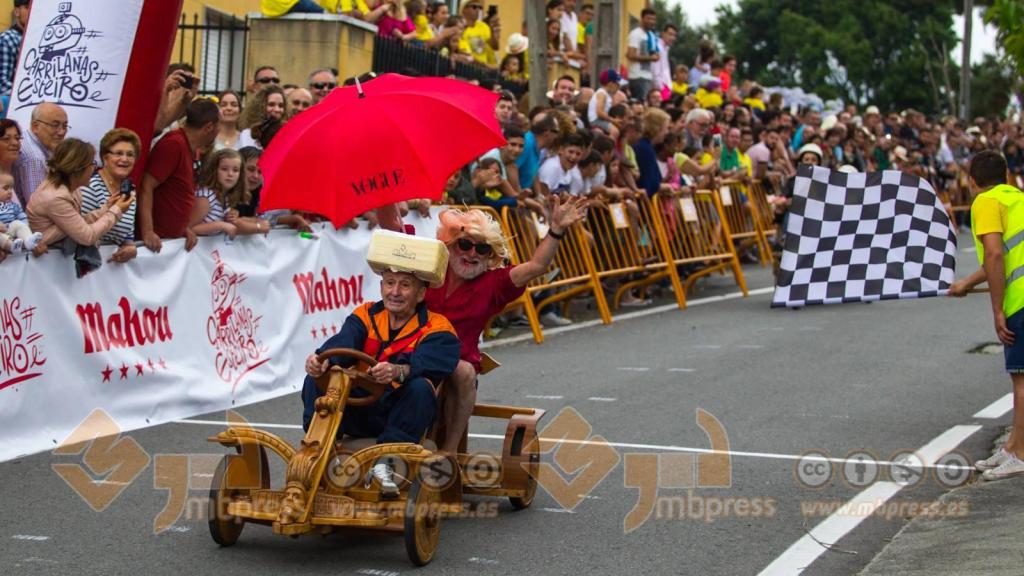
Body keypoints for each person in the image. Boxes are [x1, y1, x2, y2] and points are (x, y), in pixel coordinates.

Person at [426, 199, 587, 453]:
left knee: (465, 372)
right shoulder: (431, 268)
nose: (471, 254)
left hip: (457, 359)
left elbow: (537, 266)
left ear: (491, 256)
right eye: (465, 245)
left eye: (482, 250)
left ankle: (448, 452)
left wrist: (556, 228)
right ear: (452, 244)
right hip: (416, 350)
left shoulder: (494, 283)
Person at [303, 262, 460, 494]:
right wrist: (322, 360)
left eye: (405, 285)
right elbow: (344, 341)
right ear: (381, 287)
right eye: (389, 283)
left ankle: (387, 463)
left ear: (421, 294)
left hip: (397, 414)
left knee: (421, 388)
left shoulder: (437, 327)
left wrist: (399, 371)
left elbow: (433, 363)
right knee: (317, 379)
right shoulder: (365, 314)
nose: (395, 292)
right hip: (356, 408)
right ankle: (317, 450)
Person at [950, 151, 1024, 480]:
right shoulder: (1016, 199)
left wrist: (997, 310)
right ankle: (1012, 446)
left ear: (972, 179)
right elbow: (999, 257)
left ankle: (1019, 455)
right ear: (1006, 176)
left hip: (1020, 300)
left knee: (1021, 380)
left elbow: (994, 255)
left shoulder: (984, 202)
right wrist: (965, 284)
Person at [26, 138, 134, 256]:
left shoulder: (71, 187)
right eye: (92, 164)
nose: (95, 168)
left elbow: (78, 223)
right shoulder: (56, 197)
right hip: (43, 261)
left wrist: (107, 208)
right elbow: (87, 236)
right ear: (78, 169)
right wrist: (116, 211)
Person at [139, 98, 220, 253]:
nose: (220, 130)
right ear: (209, 127)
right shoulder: (174, 145)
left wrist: (183, 228)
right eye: (219, 124)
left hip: (167, 242)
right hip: (155, 245)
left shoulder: (187, 146)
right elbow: (146, 185)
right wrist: (148, 231)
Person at [79, 129, 141, 264]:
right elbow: (81, 229)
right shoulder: (91, 186)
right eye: (118, 153)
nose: (124, 159)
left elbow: (127, 232)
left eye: (130, 155)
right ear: (105, 157)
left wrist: (130, 246)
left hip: (111, 270)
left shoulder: (131, 191)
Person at [190, 148, 268, 240]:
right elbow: (188, 228)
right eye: (224, 169)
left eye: (235, 170)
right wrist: (221, 225)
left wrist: (231, 216)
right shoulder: (206, 196)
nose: (230, 174)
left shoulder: (226, 196)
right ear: (214, 170)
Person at [14, 102, 68, 206]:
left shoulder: (28, 138)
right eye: (55, 125)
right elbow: (38, 206)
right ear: (35, 126)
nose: (61, 132)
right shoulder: (35, 159)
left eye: (65, 126)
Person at [0, 170, 40, 257]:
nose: (10, 191)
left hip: (10, 231)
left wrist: (25, 226)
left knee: (18, 223)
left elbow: (22, 217)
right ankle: (11, 246)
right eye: (5, 188)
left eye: (11, 188)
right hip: (2, 235)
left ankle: (28, 240)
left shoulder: (13, 205)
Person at [626, 8, 659, 102]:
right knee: (639, 103)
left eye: (653, 19)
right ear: (642, 18)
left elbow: (656, 54)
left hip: (648, 76)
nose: (651, 22)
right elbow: (630, 55)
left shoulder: (651, 35)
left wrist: (655, 57)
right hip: (637, 76)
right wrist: (650, 58)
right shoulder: (635, 34)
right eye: (648, 19)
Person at [0, 0, 30, 101]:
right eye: (27, 7)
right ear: (17, 12)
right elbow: (2, 84)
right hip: (17, 102)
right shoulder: (8, 38)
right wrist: (30, 92)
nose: (31, 12)